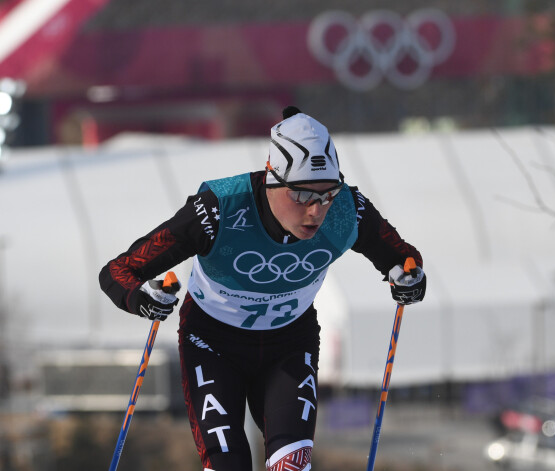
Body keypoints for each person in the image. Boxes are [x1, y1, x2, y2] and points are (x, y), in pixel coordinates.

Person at [99, 106, 426, 471]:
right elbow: (118, 271)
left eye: (327, 194)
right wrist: (140, 299)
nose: (316, 211)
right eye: (302, 195)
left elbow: (404, 259)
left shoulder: (348, 210)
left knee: (291, 466)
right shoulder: (219, 208)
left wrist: (408, 278)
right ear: (273, 179)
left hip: (288, 345)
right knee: (227, 464)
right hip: (213, 345)